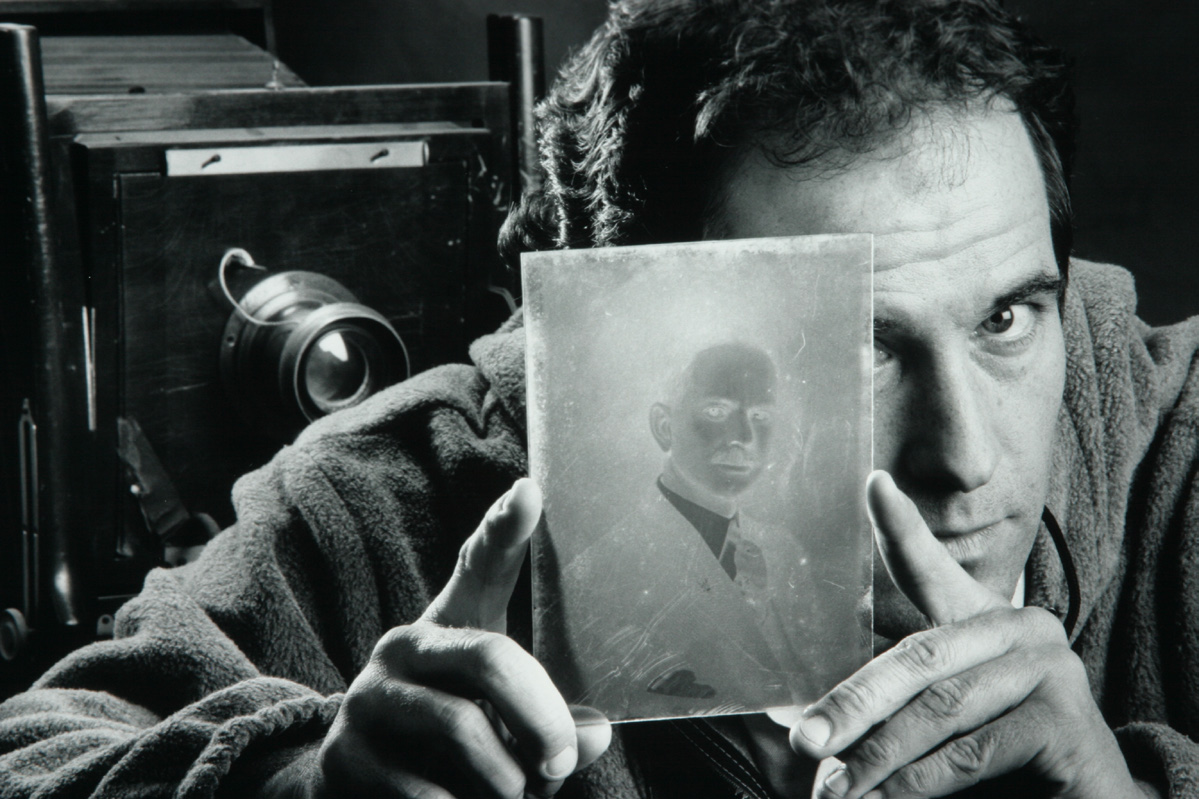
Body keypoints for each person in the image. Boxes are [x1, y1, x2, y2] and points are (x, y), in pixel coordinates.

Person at [2, 0, 1198, 797]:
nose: (968, 455)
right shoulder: (394, 504)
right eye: (852, 351)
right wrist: (295, 784)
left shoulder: (1175, 453)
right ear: (628, 346)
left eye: (1005, 318)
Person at [547, 341, 821, 719]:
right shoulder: (598, 573)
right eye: (716, 411)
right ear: (664, 427)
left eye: (760, 415)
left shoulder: (783, 550)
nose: (744, 436)